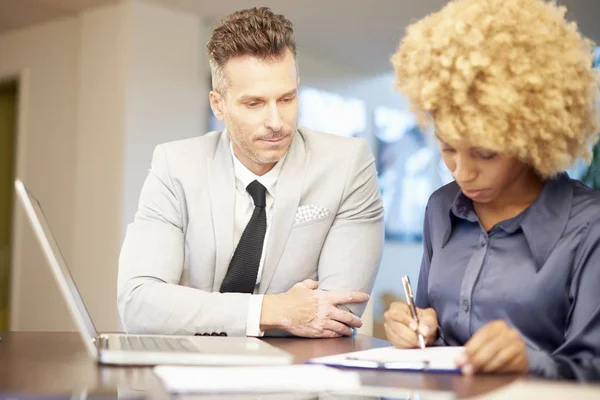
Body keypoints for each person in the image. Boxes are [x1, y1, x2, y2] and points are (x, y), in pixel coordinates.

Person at [117, 7, 384, 338]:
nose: (276, 122)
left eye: (286, 98)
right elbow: (138, 304)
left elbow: (338, 314)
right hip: (190, 376)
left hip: (294, 379)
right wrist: (272, 310)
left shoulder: (348, 165)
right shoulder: (175, 166)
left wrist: (190, 308)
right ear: (219, 105)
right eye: (254, 103)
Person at [384, 0, 600, 381]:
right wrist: (416, 328)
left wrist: (527, 362)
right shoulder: (440, 209)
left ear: (532, 135)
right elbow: (429, 333)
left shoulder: (589, 227)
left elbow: (594, 367)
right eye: (448, 147)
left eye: (486, 153)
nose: (462, 173)